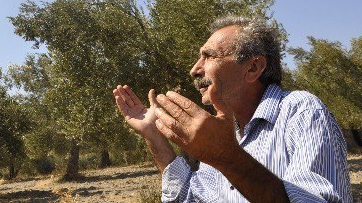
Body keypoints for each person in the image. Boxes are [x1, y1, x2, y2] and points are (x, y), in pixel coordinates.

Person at [113, 15, 352, 202]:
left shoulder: (302, 112)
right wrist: (153, 136)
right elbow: (189, 198)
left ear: (252, 68)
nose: (195, 70)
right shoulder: (224, 131)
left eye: (208, 56)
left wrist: (227, 157)